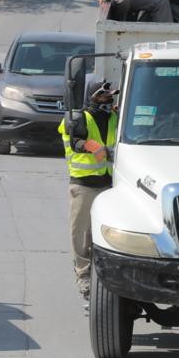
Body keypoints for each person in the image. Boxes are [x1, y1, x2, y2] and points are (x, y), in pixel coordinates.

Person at [58, 81, 119, 301]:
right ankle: (83, 276)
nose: (107, 100)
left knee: (109, 233)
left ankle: (105, 275)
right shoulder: (78, 118)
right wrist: (97, 149)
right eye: (102, 96)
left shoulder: (114, 117)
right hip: (83, 184)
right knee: (81, 233)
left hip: (110, 184)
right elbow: (76, 140)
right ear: (91, 98)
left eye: (110, 96)